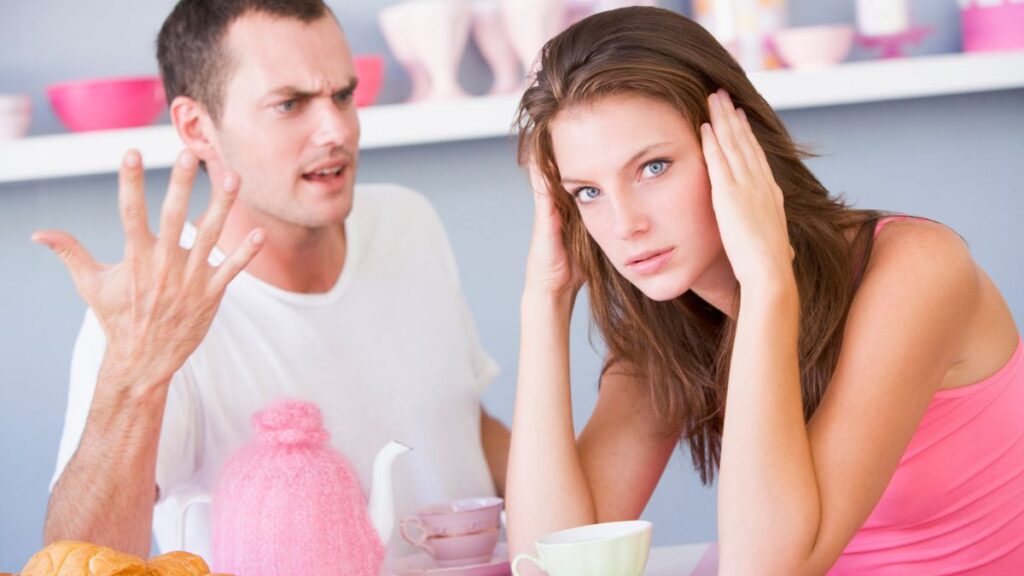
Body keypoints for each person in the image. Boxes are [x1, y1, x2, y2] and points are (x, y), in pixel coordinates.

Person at [506, 6, 1023, 574]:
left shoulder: (915, 271)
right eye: (587, 192)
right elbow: (546, 563)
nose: (624, 224)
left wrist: (768, 279)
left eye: (653, 167)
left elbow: (766, 569)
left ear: (739, 142)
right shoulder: (669, 328)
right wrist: (546, 298)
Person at [36, 0, 510, 561]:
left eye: (343, 94)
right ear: (197, 127)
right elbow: (79, 563)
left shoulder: (408, 220)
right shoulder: (151, 310)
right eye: (290, 104)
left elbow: (457, 424)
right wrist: (134, 378)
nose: (337, 129)